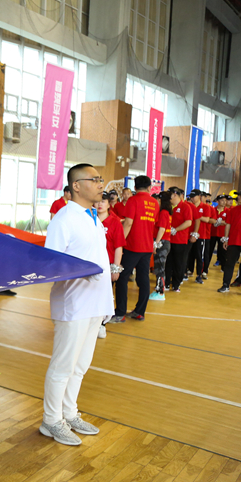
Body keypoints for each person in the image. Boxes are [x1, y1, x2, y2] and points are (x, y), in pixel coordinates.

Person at [41, 163, 113, 446]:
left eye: (101, 179)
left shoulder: (93, 217)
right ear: (77, 186)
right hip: (73, 304)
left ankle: (69, 413)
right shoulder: (64, 218)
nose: (101, 184)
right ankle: (51, 420)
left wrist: (107, 301)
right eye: (94, 179)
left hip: (95, 303)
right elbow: (51, 264)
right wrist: (84, 271)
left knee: (80, 366)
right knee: (63, 366)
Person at [111, 176, 158, 322]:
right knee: (143, 279)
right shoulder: (154, 203)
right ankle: (139, 312)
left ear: (135, 188)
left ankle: (120, 313)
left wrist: (120, 242)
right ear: (149, 188)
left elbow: (129, 223)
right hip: (147, 247)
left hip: (132, 246)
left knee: (122, 278)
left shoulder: (133, 200)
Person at [94, 193, 124, 338]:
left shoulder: (115, 222)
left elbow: (118, 246)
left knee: (104, 296)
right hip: (91, 264)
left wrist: (115, 268)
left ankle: (102, 324)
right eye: (97, 201)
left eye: (103, 201)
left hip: (107, 266)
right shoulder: (89, 220)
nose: (100, 204)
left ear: (108, 204)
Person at [218, 189, 241, 295]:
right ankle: (225, 285)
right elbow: (228, 224)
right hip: (233, 241)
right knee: (229, 264)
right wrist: (226, 238)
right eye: (238, 195)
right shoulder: (233, 210)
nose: (238, 197)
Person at [166, 187, 193, 292]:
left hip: (180, 240)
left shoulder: (185, 206)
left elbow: (188, 222)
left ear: (175, 195)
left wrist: (176, 229)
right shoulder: (168, 207)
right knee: (168, 262)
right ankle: (166, 283)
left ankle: (176, 284)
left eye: (170, 195)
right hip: (168, 239)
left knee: (178, 263)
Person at [149, 191, 173, 301]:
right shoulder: (166, 212)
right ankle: (159, 289)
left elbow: (162, 229)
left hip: (162, 242)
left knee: (160, 268)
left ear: (160, 200)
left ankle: (160, 292)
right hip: (164, 242)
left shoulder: (163, 212)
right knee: (159, 267)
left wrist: (156, 243)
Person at [186, 190, 211, 283]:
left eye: (194, 196)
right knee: (189, 254)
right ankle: (189, 270)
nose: (192, 198)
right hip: (189, 233)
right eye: (191, 197)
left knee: (199, 255)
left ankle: (199, 275)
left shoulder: (205, 207)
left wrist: (196, 215)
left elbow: (207, 219)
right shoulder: (188, 206)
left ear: (199, 196)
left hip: (201, 235)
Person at [213, 195, 230, 267]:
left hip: (222, 233)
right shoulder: (213, 209)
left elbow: (228, 222)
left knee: (222, 250)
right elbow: (211, 220)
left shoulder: (228, 211)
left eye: (225, 200)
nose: (224, 202)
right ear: (218, 201)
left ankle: (223, 266)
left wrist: (220, 222)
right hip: (213, 233)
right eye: (222, 200)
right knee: (209, 250)